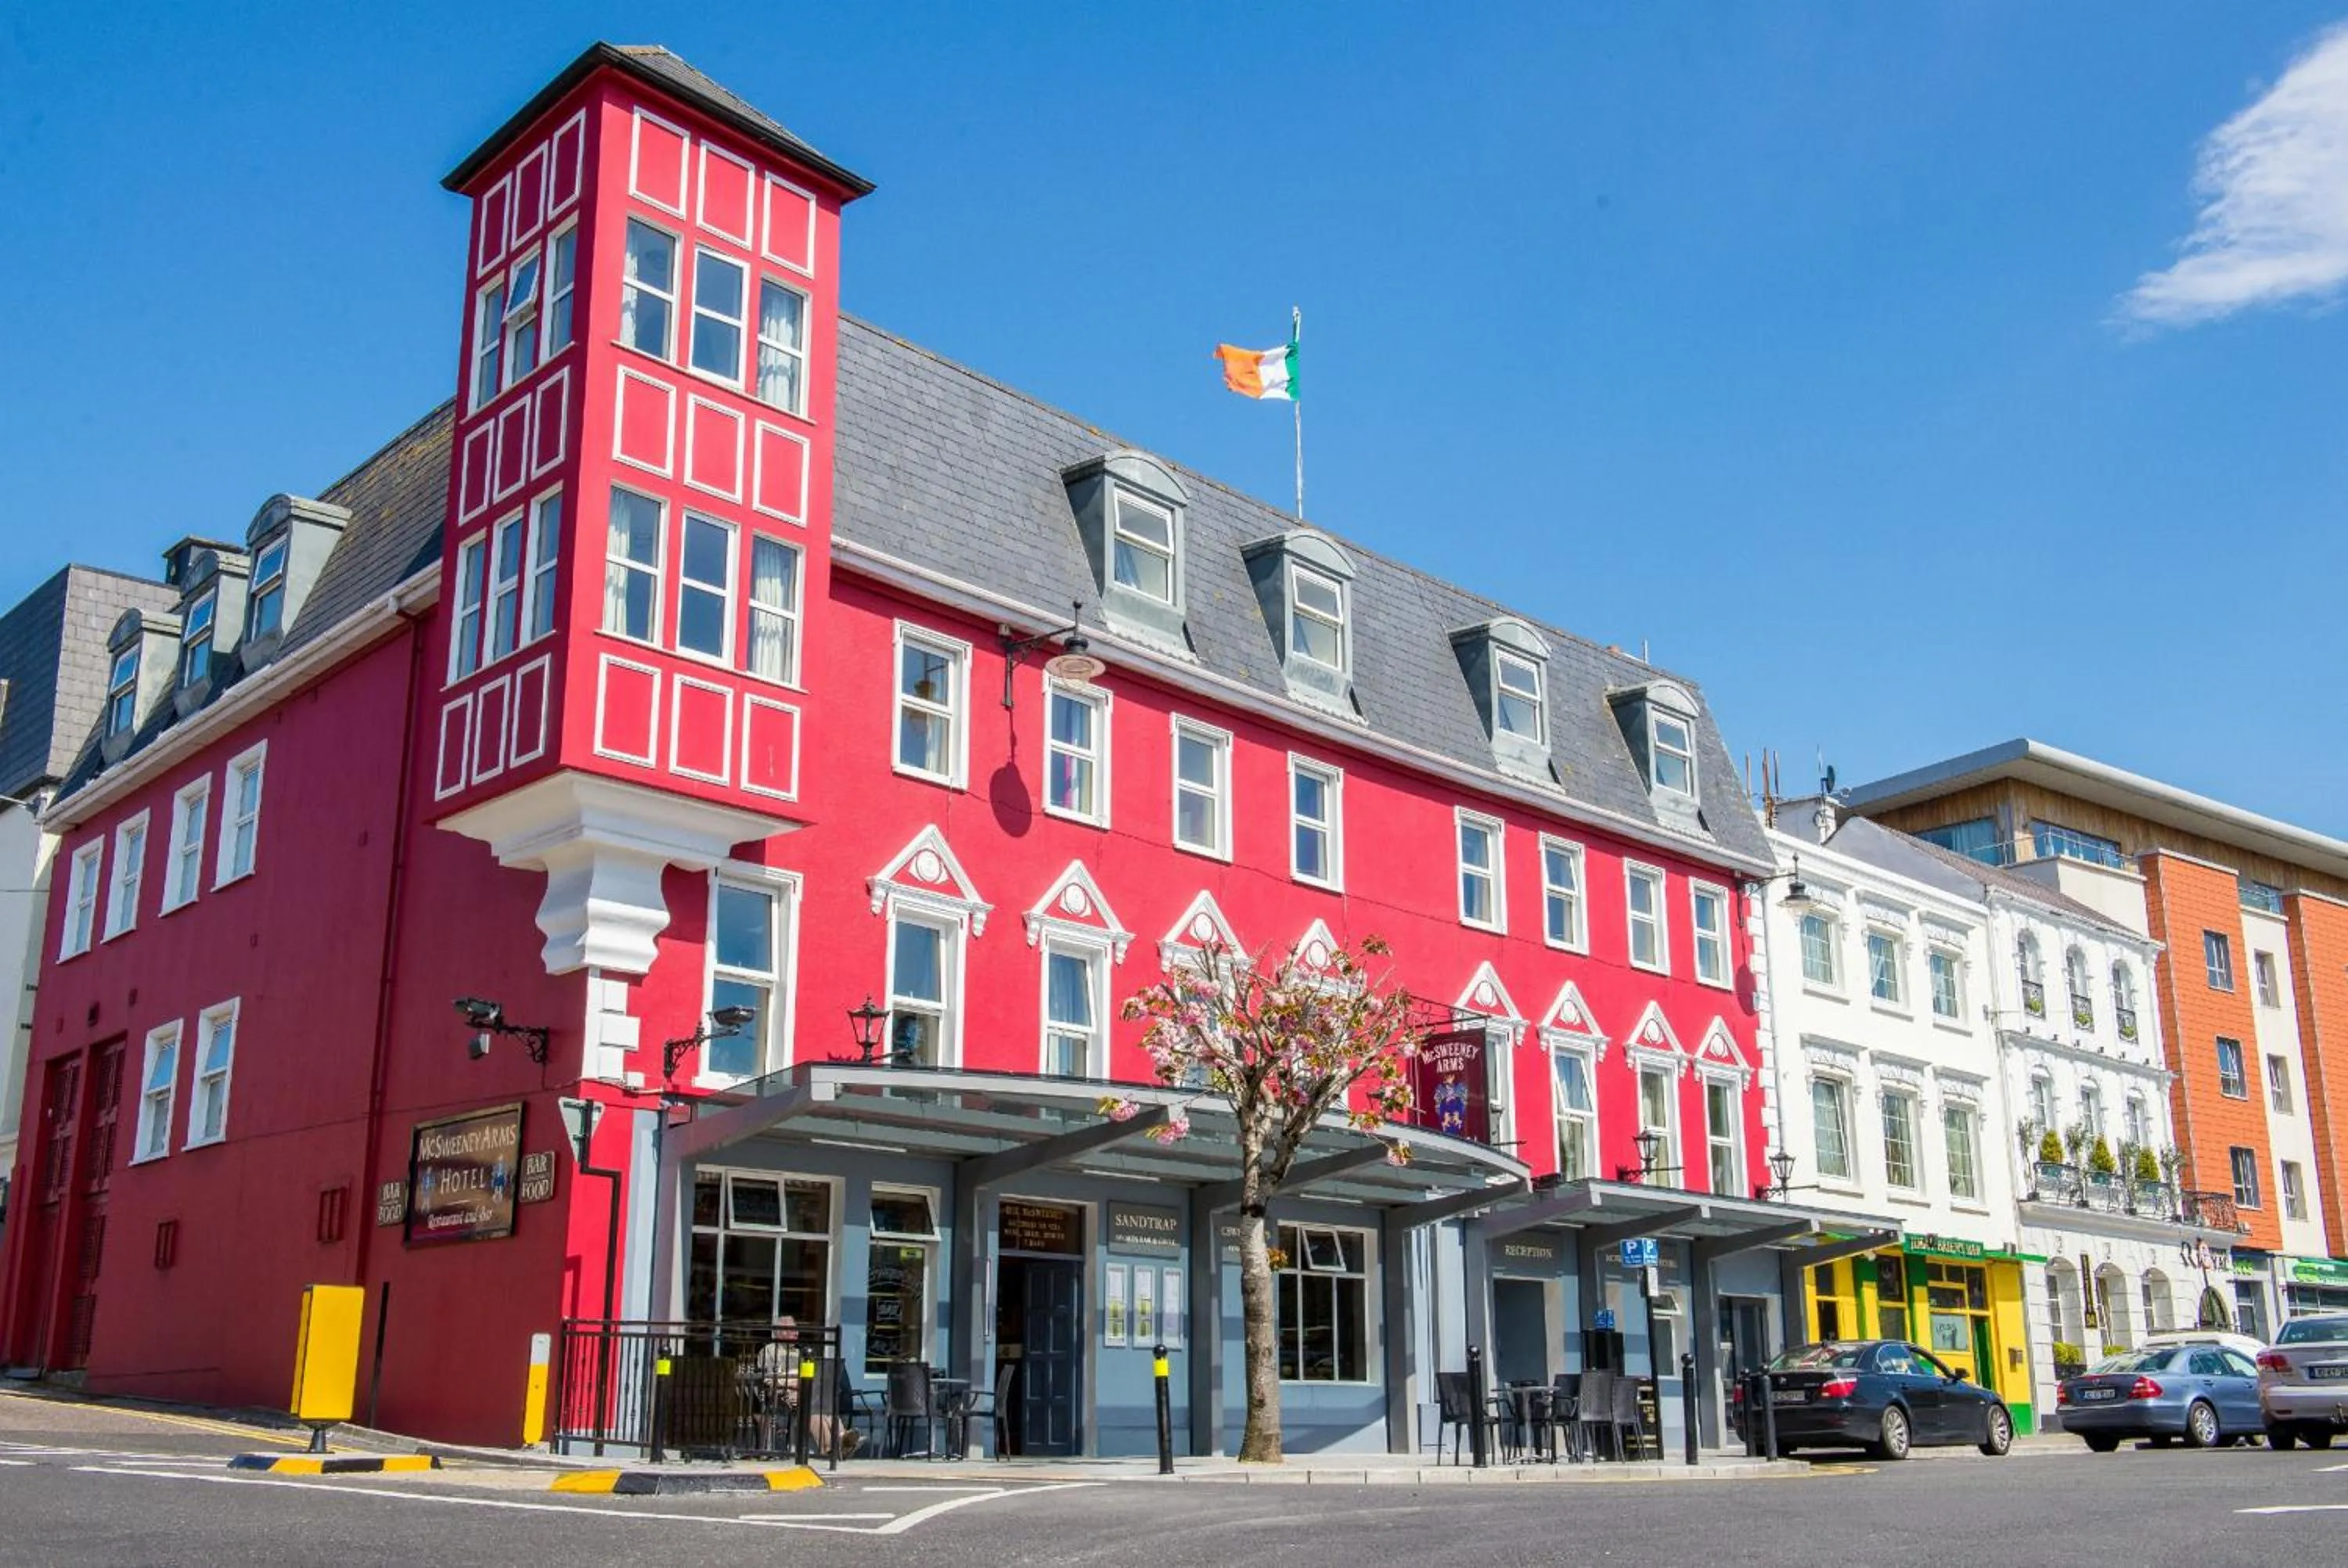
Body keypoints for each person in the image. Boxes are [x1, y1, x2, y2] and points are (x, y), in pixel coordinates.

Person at [751, 1316, 861, 1458]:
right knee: (813, 1407)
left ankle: (842, 1439)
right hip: (784, 1392)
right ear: (781, 1333)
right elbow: (768, 1379)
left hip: (806, 1389)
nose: (797, 1333)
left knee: (825, 1405)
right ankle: (832, 1447)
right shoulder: (769, 1351)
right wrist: (793, 1383)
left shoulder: (800, 1352)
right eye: (793, 1330)